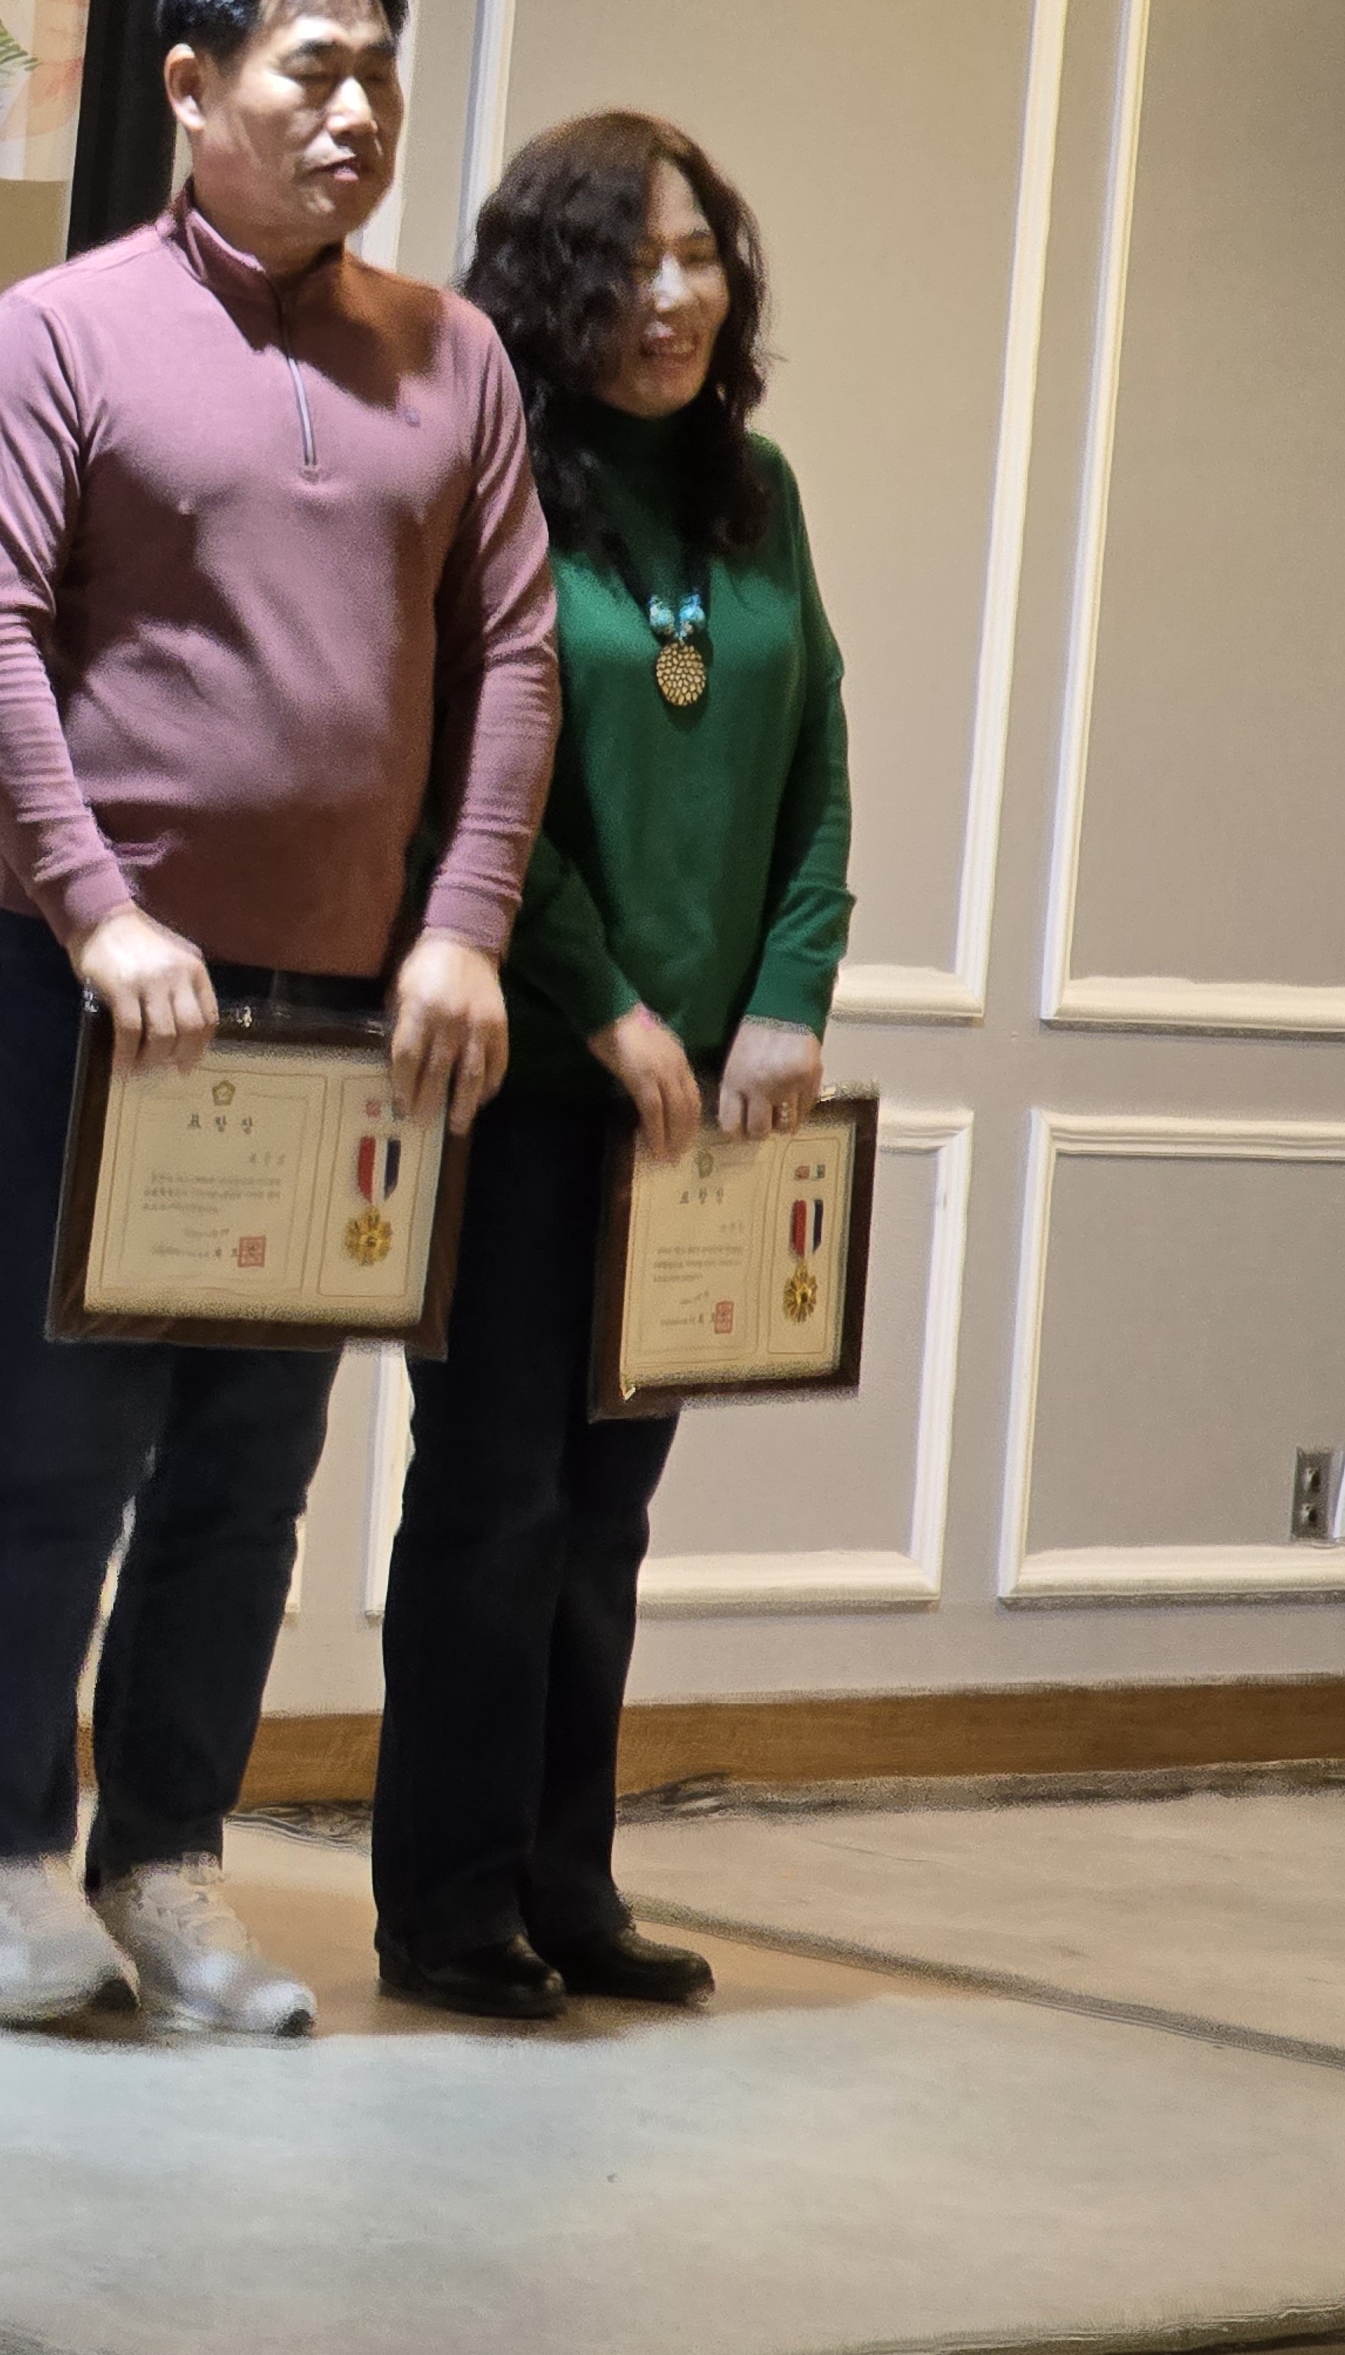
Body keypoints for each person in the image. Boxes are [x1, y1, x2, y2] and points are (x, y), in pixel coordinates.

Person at [0, 0, 558, 2037]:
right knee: (56, 1442)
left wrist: (462, 925)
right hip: (107, 990)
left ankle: (167, 1857)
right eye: (312, 70)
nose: (357, 111)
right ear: (190, 89)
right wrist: (96, 903)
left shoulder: (451, 357)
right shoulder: (62, 329)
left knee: (251, 1465)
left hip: (346, 1013)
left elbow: (514, 659)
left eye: (379, 72)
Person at [372, 114, 848, 2020]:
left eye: (698, 258)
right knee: (495, 1510)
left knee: (608, 1523)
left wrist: (789, 994)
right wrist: (609, 1009)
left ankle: (572, 1886)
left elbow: (819, 763)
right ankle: (448, 1908)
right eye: (628, 264)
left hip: (703, 1116)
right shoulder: (496, 487)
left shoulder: (759, 492)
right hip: (535, 1092)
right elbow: (468, 790)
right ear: (548, 293)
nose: (670, 298)